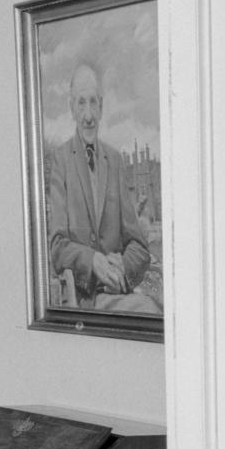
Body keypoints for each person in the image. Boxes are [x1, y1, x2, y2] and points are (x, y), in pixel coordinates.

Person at [45, 61, 160, 314]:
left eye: (93, 103)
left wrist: (122, 267)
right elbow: (57, 247)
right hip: (85, 301)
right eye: (81, 103)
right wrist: (94, 261)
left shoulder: (115, 161)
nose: (88, 115)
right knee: (150, 313)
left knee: (156, 312)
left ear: (102, 106)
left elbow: (139, 247)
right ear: (72, 108)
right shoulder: (61, 160)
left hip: (118, 294)